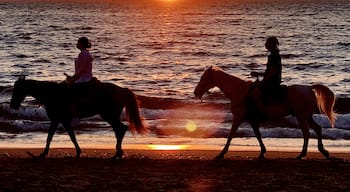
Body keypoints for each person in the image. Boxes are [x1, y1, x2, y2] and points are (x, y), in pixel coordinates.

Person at [249, 36, 282, 119]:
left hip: (272, 82)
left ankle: (263, 113)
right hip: (273, 80)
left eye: (267, 42)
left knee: (254, 93)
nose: (265, 44)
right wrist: (258, 74)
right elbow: (269, 72)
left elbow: (272, 73)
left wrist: (263, 82)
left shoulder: (273, 56)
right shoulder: (274, 54)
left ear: (271, 44)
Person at [69, 37, 94, 127]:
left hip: (83, 79)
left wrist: (74, 78)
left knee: (70, 95)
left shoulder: (82, 54)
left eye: (78, 42)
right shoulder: (86, 53)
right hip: (84, 77)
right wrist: (73, 77)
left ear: (82, 44)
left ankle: (75, 116)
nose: (76, 44)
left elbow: (82, 70)